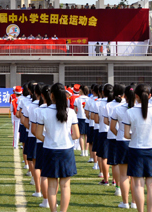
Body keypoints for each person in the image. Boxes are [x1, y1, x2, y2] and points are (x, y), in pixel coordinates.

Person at [35, 83, 80, 212]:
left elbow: (38, 134)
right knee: (65, 185)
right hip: (66, 150)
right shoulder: (70, 112)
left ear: (52, 95)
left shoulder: (44, 112)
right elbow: (76, 135)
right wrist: (65, 140)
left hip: (50, 150)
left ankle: (53, 210)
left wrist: (49, 139)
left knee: (52, 185)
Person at [123, 84, 152, 212]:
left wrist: (138, 135)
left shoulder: (130, 112)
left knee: (138, 184)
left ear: (136, 96)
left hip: (136, 149)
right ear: (149, 96)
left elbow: (126, 134)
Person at [110, 85, 137, 209]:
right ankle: (134, 202)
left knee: (124, 175)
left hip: (122, 141)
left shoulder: (118, 109)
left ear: (124, 96)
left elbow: (111, 127)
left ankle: (125, 202)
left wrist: (119, 135)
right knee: (136, 175)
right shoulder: (140, 109)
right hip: (137, 142)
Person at [104, 84, 126, 198]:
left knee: (115, 163)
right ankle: (125, 187)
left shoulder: (108, 105)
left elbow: (107, 121)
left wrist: (118, 132)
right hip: (126, 137)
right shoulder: (129, 104)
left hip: (113, 136)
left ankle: (118, 187)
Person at [74, 85, 90, 157]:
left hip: (80, 117)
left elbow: (75, 111)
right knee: (86, 136)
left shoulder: (77, 99)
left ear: (81, 90)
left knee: (81, 136)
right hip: (87, 118)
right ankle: (86, 151)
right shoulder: (89, 99)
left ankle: (82, 151)